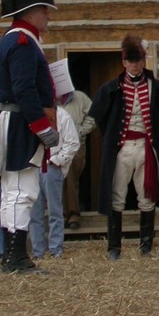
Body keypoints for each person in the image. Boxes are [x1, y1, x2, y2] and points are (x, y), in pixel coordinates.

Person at [0, 0, 59, 274]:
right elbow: (24, 89)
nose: (47, 17)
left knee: (14, 190)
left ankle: (12, 256)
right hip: (18, 121)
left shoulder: (17, 40)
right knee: (21, 190)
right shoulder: (21, 43)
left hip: (14, 119)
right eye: (44, 11)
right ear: (30, 12)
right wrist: (42, 126)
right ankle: (16, 258)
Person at [89, 35, 159, 260]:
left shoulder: (155, 87)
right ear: (124, 62)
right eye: (131, 61)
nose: (135, 65)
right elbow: (101, 120)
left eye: (138, 60)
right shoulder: (111, 88)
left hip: (146, 146)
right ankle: (114, 248)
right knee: (116, 195)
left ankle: (145, 246)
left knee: (146, 196)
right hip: (123, 148)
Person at [29, 102, 79, 259]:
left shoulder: (62, 115)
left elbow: (72, 142)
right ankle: (38, 251)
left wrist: (57, 160)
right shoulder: (31, 113)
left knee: (55, 211)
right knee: (34, 213)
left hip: (51, 166)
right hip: (33, 166)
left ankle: (55, 250)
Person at [59, 89, 95, 231]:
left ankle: (73, 215)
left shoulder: (80, 97)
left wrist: (80, 130)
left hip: (75, 144)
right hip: (55, 145)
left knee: (71, 178)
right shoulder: (48, 98)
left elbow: (93, 114)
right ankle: (59, 215)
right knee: (55, 179)